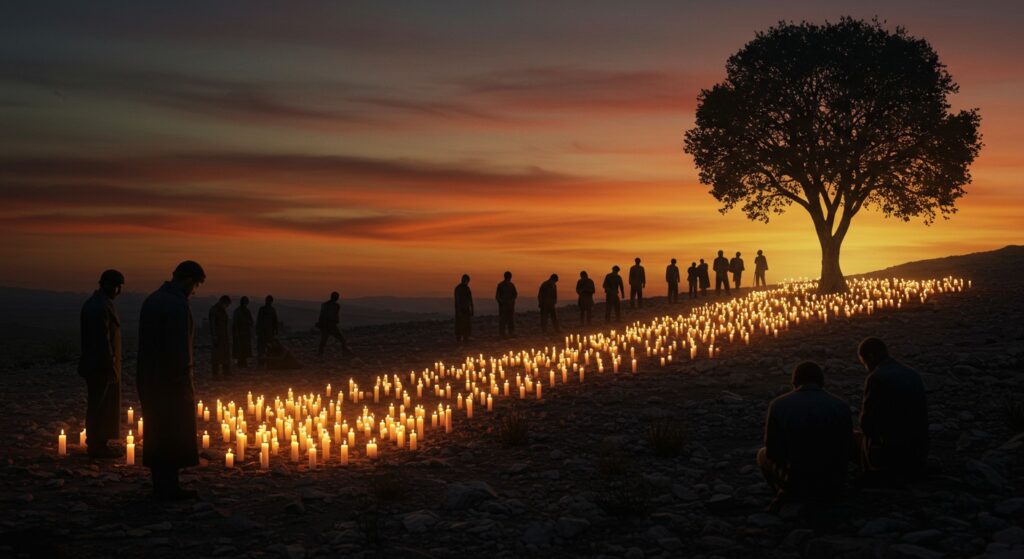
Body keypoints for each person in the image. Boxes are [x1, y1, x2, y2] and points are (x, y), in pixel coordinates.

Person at [137, 260, 205, 500]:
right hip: (171, 381)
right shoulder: (177, 305)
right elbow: (180, 349)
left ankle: (160, 483)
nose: (194, 291)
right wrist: (184, 382)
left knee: (157, 429)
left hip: (149, 377)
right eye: (195, 285)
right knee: (173, 430)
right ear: (187, 280)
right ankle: (169, 487)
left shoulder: (152, 299)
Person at [757, 362, 852, 509]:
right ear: (821, 382)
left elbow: (772, 450)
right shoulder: (840, 405)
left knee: (761, 455)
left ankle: (785, 492)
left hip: (796, 478)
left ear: (794, 382)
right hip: (833, 480)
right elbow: (847, 446)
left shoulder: (779, 405)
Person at [856, 337, 929, 485]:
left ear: (871, 357)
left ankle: (872, 473)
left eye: (864, 362)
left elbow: (867, 423)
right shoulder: (912, 374)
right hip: (918, 449)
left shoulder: (876, 378)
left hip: (892, 452)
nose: (866, 367)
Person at [78, 269, 124, 458]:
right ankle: (96, 445)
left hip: (100, 364)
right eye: (116, 286)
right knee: (99, 404)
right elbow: (102, 341)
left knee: (102, 403)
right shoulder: (97, 307)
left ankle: (100, 442)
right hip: (99, 366)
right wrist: (110, 366)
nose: (118, 291)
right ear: (105, 284)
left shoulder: (101, 304)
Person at [317, 291, 354, 357]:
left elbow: (321, 315)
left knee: (323, 341)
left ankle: (320, 354)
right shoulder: (336, 306)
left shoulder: (325, 305)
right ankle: (345, 352)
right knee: (342, 339)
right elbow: (335, 316)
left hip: (325, 325)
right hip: (331, 325)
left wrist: (320, 323)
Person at [208, 295, 231, 378]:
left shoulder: (222, 311)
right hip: (217, 337)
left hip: (224, 336)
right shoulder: (214, 310)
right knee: (216, 357)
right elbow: (212, 324)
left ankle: (226, 371)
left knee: (225, 355)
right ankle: (215, 373)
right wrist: (214, 337)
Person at [256, 295, 278, 368]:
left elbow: (275, 321)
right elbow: (259, 321)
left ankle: (268, 363)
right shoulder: (263, 309)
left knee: (268, 349)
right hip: (264, 332)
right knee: (262, 349)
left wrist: (276, 330)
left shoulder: (271, 310)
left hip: (268, 332)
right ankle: (262, 363)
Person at [232, 296, 253, 368]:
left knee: (245, 349)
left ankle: (244, 363)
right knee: (239, 348)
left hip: (246, 333)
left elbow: (251, 321)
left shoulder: (247, 311)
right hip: (239, 333)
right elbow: (234, 323)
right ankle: (240, 363)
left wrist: (248, 323)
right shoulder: (237, 311)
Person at [495, 271, 518, 338]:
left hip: (509, 306)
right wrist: (502, 302)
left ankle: (510, 333)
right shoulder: (501, 285)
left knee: (510, 320)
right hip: (504, 307)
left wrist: (511, 301)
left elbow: (515, 294)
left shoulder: (511, 285)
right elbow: (497, 296)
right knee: (503, 320)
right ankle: (503, 334)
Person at [454, 275, 474, 343]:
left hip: (466, 309)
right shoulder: (458, 288)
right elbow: (457, 300)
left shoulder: (467, 288)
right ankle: (459, 338)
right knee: (460, 324)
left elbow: (470, 299)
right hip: (461, 309)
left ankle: (466, 337)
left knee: (466, 324)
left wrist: (472, 308)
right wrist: (459, 310)